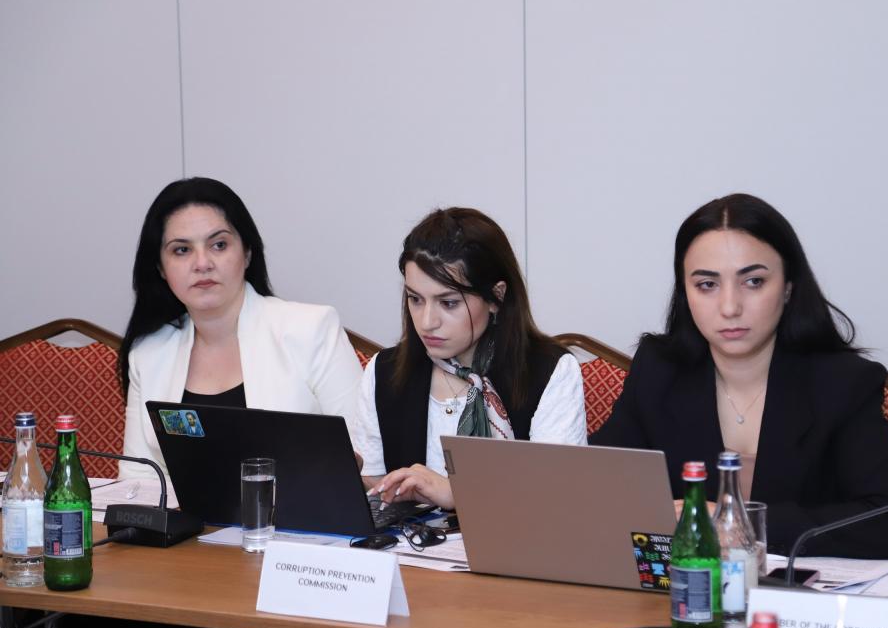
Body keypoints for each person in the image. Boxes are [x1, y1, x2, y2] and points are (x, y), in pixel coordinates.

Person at [591, 193, 888, 558]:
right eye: (707, 285)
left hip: (795, 589)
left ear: (788, 286)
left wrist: (739, 524)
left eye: (753, 281)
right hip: (689, 586)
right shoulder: (659, 371)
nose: (730, 307)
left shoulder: (841, 382)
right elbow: (595, 488)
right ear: (685, 293)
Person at [118, 177, 364, 480]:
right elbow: (137, 478)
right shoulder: (149, 353)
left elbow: (367, 458)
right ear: (160, 267)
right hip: (184, 514)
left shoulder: (311, 330)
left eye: (219, 245)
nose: (202, 263)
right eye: (181, 250)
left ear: (247, 253)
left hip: (303, 510)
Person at [352, 207, 587, 510]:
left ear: (496, 297)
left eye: (448, 303)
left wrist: (457, 494)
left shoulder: (548, 371)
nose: (427, 322)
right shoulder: (384, 371)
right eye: (415, 299)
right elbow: (374, 483)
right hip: (409, 541)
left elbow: (558, 498)